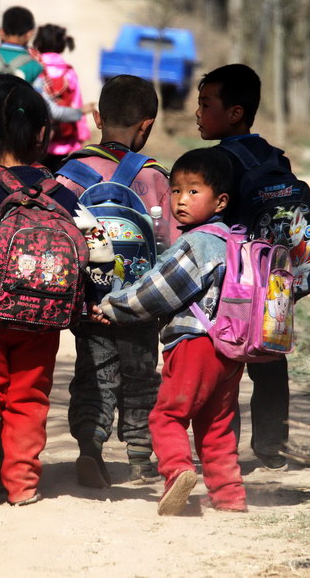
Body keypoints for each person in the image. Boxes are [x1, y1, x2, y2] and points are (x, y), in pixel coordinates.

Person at [0, 74, 110, 506]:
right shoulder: (59, 191)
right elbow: (100, 249)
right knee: (29, 393)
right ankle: (22, 483)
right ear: (43, 134)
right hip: (44, 313)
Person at [92, 147, 248, 515]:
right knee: (217, 426)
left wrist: (112, 307)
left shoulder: (196, 245)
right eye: (175, 190)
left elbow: (154, 291)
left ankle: (178, 471)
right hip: (230, 349)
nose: (181, 200)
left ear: (221, 200)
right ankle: (229, 496)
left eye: (194, 191)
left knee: (167, 416)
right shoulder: (235, 242)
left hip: (195, 345)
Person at [55, 74, 179, 488]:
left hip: (89, 303)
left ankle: (90, 446)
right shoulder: (156, 177)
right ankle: (141, 456)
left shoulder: (70, 174)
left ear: (96, 116)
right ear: (147, 125)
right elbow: (168, 243)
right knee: (142, 374)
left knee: (94, 373)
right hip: (139, 304)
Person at [195, 63, 310, 470]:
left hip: (234, 283)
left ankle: (222, 448)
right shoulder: (273, 157)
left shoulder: (217, 163)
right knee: (270, 361)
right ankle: (271, 446)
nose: (197, 112)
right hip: (276, 282)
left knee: (225, 364)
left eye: (206, 103)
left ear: (235, 113)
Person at [0, 6, 94, 163]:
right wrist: (79, 112)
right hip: (19, 144)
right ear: (30, 34)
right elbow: (49, 109)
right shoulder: (34, 66)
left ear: (1, 31)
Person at [34, 24, 90, 171]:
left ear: (38, 43)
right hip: (65, 143)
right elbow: (77, 103)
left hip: (38, 143)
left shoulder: (35, 70)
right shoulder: (68, 72)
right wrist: (83, 135)